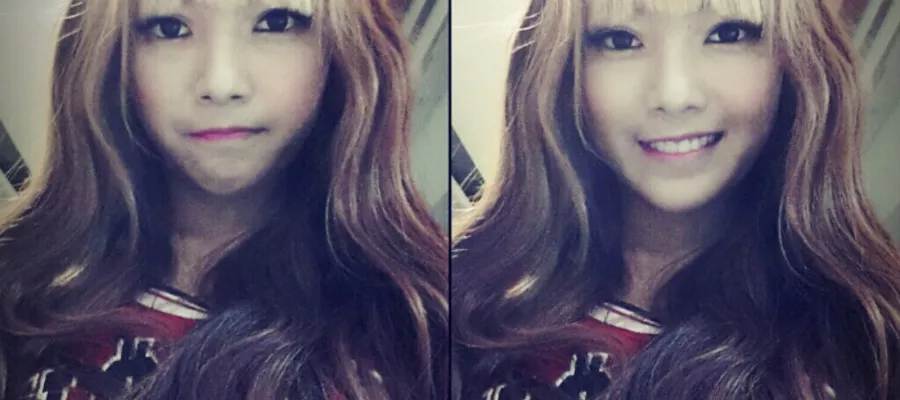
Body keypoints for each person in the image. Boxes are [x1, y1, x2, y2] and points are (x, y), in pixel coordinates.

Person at [451, 0, 900, 399]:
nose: (674, 94)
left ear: (795, 60)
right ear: (563, 66)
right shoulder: (466, 291)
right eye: (620, 39)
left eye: (727, 33)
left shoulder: (860, 354)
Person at [0, 0, 448, 399]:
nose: (220, 82)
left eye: (276, 20)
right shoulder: (24, 283)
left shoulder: (415, 331)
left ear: (343, 48)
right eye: (170, 27)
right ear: (114, 54)